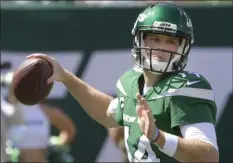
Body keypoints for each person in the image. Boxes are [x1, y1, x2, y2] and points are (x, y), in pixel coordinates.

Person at [26, 2, 219, 162]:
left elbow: (208, 157)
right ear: (140, 41)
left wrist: (158, 137)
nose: (162, 48)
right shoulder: (131, 81)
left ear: (182, 47)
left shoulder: (186, 87)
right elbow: (107, 112)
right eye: (156, 39)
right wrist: (66, 78)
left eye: (171, 41)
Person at [4, 72, 77, 162]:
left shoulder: (45, 111)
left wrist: (57, 147)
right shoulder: (5, 113)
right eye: (12, 89)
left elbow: (69, 129)